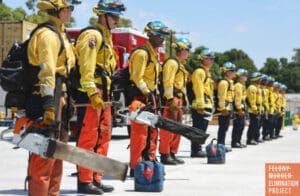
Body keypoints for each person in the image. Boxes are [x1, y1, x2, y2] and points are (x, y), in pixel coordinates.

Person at [15, 0, 77, 195]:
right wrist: (49, 105)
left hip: (58, 96)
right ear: (58, 10)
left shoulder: (60, 33)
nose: (71, 11)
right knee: (44, 157)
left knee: (57, 154)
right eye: (69, 8)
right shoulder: (48, 36)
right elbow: (47, 72)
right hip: (44, 99)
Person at [75, 0, 125, 194]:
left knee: (102, 136)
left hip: (104, 93)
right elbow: (86, 69)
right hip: (93, 93)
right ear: (102, 15)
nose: (117, 21)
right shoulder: (92, 35)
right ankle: (84, 180)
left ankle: (96, 177)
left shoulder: (107, 37)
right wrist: (92, 93)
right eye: (114, 17)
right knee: (88, 137)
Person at [128, 21, 169, 177]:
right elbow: (136, 77)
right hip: (140, 98)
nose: (163, 39)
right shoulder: (142, 53)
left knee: (152, 132)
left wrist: (154, 96)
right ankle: (136, 166)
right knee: (140, 134)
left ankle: (149, 161)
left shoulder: (153, 53)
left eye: (164, 36)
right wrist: (147, 93)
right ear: (151, 34)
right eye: (160, 36)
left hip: (150, 97)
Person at [159, 38, 191, 165]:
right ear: (181, 49)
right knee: (168, 129)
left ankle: (172, 152)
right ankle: (165, 154)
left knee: (177, 128)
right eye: (187, 49)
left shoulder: (180, 64)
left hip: (178, 99)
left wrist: (185, 102)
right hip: (171, 99)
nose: (189, 52)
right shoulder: (172, 63)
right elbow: (168, 81)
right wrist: (170, 99)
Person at [190, 48, 215, 157]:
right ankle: (196, 150)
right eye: (209, 58)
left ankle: (198, 148)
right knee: (198, 129)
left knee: (202, 129)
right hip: (200, 106)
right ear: (203, 59)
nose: (212, 61)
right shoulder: (199, 72)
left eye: (212, 59)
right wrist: (200, 105)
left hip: (206, 105)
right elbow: (198, 88)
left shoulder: (206, 73)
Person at [216, 61, 236, 152]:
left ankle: (222, 145)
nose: (234, 73)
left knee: (225, 128)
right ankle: (220, 145)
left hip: (228, 108)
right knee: (222, 128)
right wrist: (222, 108)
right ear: (227, 72)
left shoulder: (229, 82)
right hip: (224, 109)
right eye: (232, 71)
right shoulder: (224, 83)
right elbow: (221, 96)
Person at [231, 68, 248, 148]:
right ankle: (235, 142)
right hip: (238, 109)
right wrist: (239, 108)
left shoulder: (242, 85)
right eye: (244, 75)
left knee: (241, 126)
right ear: (240, 77)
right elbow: (238, 98)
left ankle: (238, 141)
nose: (246, 77)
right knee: (237, 126)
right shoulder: (238, 85)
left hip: (241, 108)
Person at [246, 72, 262, 145]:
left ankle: (255, 138)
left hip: (256, 109)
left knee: (256, 125)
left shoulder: (256, 87)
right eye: (259, 78)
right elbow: (252, 100)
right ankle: (250, 139)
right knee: (252, 125)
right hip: (253, 110)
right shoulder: (252, 87)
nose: (260, 80)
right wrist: (254, 109)